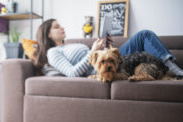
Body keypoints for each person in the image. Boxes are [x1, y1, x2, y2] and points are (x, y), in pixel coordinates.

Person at [33, 18, 183, 78]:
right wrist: (93, 51)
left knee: (145, 35)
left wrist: (104, 48)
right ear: (48, 34)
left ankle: (173, 69)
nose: (62, 28)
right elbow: (72, 73)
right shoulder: (53, 52)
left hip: (110, 58)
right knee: (144, 35)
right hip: (99, 69)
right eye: (57, 27)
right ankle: (176, 72)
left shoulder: (70, 44)